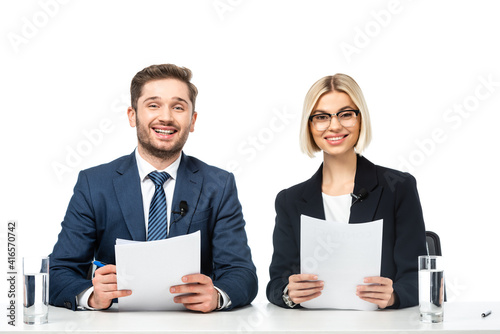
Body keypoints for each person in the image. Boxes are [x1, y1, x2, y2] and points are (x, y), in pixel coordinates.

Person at [49, 64, 258, 313]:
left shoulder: (219, 184)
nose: (166, 117)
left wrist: (217, 295)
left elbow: (242, 273)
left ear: (192, 120)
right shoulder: (94, 183)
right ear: (132, 115)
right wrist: (92, 295)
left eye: (178, 107)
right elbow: (58, 271)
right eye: (153, 105)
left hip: (194, 325)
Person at [266, 74, 427, 309]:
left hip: (382, 327)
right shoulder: (289, 201)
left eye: (346, 114)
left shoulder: (398, 187)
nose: (334, 125)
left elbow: (419, 278)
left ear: (360, 120)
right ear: (310, 126)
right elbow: (275, 284)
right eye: (321, 117)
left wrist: (394, 296)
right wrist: (289, 292)